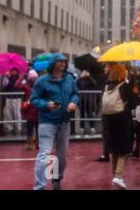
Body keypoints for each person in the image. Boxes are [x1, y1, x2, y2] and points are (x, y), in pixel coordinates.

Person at [31, 53, 79, 190]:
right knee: (44, 154)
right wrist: (47, 104)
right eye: (60, 62)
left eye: (64, 62)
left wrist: (73, 102)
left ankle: (57, 178)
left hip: (64, 121)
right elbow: (34, 100)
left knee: (61, 156)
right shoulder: (41, 81)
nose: (63, 64)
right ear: (53, 64)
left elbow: (75, 94)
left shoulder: (69, 79)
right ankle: (39, 186)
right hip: (47, 122)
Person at [101, 64, 138, 190]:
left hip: (109, 120)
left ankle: (116, 176)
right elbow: (133, 104)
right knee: (125, 149)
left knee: (114, 149)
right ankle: (118, 175)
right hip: (123, 119)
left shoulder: (106, 86)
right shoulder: (125, 87)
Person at [15, 70, 39, 150]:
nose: (35, 79)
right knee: (33, 127)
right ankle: (33, 144)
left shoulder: (30, 86)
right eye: (34, 77)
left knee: (34, 128)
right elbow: (17, 85)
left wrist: (21, 78)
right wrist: (21, 78)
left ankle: (33, 145)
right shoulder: (31, 86)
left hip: (34, 109)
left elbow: (17, 85)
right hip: (34, 108)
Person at [94, 64, 111, 162]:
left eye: (106, 66)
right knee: (106, 132)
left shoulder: (108, 79)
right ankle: (106, 153)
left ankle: (106, 154)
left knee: (106, 132)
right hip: (107, 107)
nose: (104, 68)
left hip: (108, 109)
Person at [76, 70, 97, 136]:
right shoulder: (80, 80)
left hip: (90, 99)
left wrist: (89, 77)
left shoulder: (90, 80)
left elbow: (94, 84)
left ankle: (92, 128)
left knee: (90, 114)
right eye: (84, 72)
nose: (85, 74)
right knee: (82, 114)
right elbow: (76, 84)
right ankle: (82, 128)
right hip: (81, 99)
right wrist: (80, 77)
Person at [2, 68, 23, 135]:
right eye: (12, 70)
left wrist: (21, 79)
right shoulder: (8, 77)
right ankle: (9, 127)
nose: (13, 72)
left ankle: (18, 128)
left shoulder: (21, 77)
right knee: (8, 113)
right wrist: (6, 77)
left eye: (15, 70)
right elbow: (4, 84)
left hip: (17, 98)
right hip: (8, 97)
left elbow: (24, 85)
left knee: (17, 113)